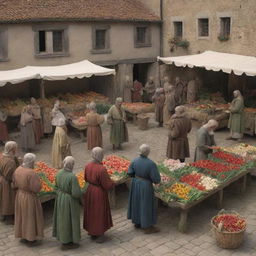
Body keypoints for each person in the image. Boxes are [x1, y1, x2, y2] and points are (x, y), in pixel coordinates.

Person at [83, 147, 114, 243]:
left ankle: (92, 232)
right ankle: (99, 233)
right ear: (100, 156)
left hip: (90, 191)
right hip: (99, 193)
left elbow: (86, 178)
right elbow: (107, 184)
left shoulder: (87, 166)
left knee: (91, 211)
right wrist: (113, 182)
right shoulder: (101, 169)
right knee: (99, 212)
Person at [127, 144, 161, 234]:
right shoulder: (151, 164)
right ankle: (147, 227)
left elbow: (129, 172)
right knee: (146, 205)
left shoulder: (134, 161)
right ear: (148, 153)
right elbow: (156, 179)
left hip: (135, 183)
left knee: (137, 202)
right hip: (145, 185)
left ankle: (137, 222)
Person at [13, 153, 44, 245]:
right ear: (31, 162)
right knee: (30, 217)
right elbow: (36, 188)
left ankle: (23, 235)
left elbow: (14, 183)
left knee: (22, 216)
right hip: (29, 197)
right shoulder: (31, 173)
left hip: (20, 195)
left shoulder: (18, 169)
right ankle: (30, 238)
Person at [53, 156, 82, 250]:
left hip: (60, 198)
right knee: (69, 220)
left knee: (62, 219)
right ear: (72, 165)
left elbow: (55, 187)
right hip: (69, 201)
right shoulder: (72, 177)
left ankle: (63, 239)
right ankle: (67, 242)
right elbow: (76, 193)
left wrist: (60, 194)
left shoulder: (59, 173)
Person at [0, 141, 19, 224]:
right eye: (15, 148)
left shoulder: (2, 156)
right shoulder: (10, 162)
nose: (16, 150)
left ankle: (3, 215)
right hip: (7, 183)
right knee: (8, 200)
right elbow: (10, 175)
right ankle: (9, 217)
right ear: (12, 149)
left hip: (2, 180)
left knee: (2, 198)